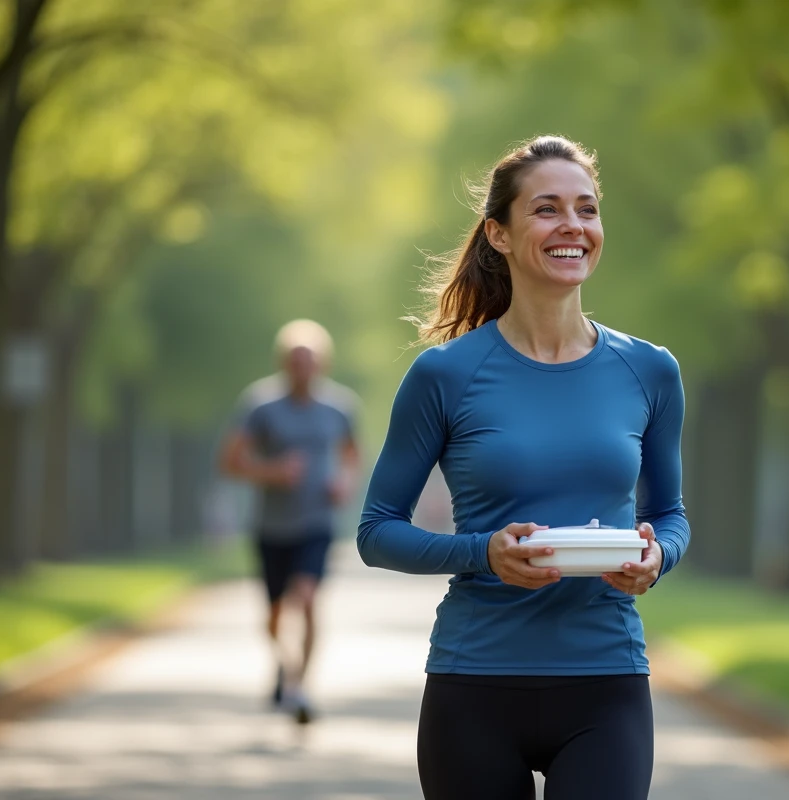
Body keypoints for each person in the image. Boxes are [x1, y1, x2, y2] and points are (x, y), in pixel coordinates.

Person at [358, 135, 690, 800]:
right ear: (499, 235)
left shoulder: (650, 370)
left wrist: (659, 559)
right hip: (475, 683)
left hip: (606, 682)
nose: (573, 226)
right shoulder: (445, 376)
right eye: (547, 209)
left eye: (587, 209)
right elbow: (376, 530)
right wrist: (486, 553)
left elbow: (670, 514)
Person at [219, 319, 360, 725]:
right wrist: (272, 472)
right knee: (277, 611)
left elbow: (352, 455)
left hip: (316, 522)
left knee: (309, 596)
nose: (303, 368)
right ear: (284, 363)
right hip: (271, 525)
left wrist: (343, 483)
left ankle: (299, 687)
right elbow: (230, 462)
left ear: (322, 363)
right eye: (296, 360)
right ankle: (283, 665)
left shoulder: (340, 406)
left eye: (310, 360)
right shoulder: (260, 405)